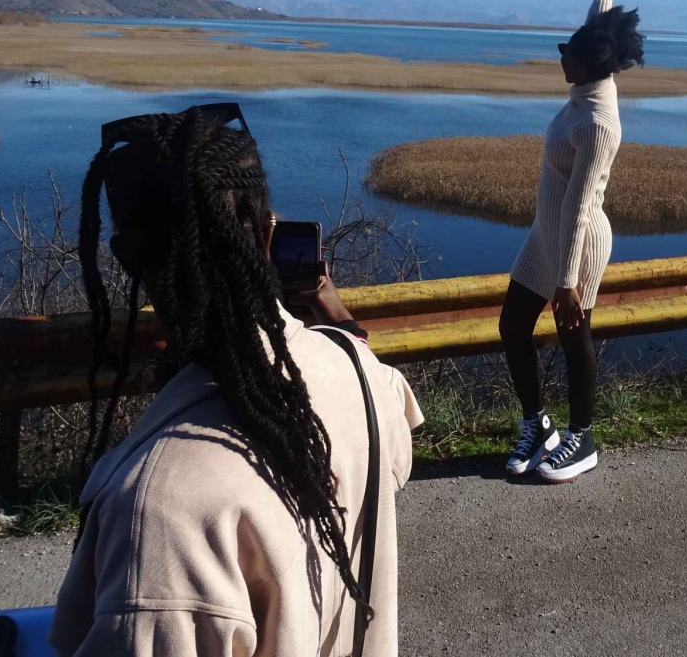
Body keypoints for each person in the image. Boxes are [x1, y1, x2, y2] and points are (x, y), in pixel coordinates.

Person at [50, 104, 423, 657]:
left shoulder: (161, 512)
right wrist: (340, 320)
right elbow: (395, 436)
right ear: (268, 235)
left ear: (126, 259)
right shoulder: (358, 373)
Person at [501, 0, 644, 483]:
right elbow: (598, 28)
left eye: (569, 57)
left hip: (577, 243)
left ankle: (582, 438)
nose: (561, 59)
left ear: (586, 68)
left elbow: (583, 208)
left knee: (573, 333)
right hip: (547, 232)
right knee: (513, 326)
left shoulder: (598, 122)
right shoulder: (590, 81)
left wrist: (567, 284)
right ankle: (538, 425)